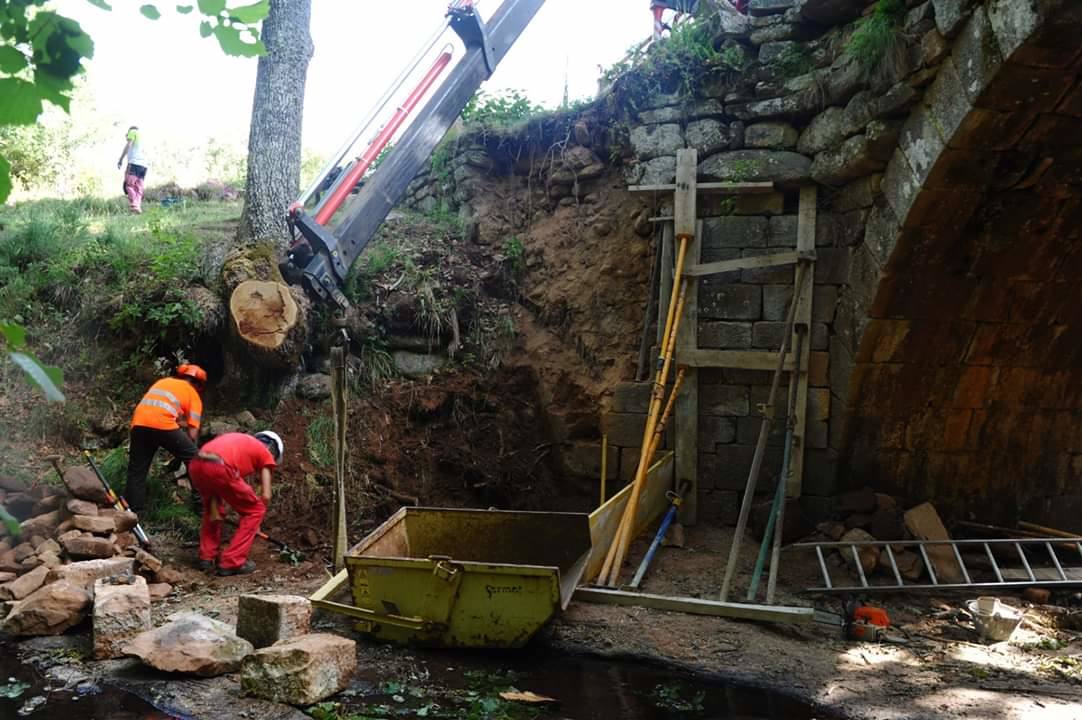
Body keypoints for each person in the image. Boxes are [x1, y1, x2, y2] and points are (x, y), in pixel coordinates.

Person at [188, 431, 283, 576]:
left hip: (196, 464)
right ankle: (232, 562)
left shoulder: (240, 441)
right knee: (256, 510)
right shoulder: (265, 452)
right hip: (220, 466)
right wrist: (256, 524)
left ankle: (206, 558)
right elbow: (266, 494)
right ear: (272, 450)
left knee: (213, 511)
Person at [127, 364, 206, 514]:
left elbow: (158, 410)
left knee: (137, 471)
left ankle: (133, 514)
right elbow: (192, 435)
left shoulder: (163, 382)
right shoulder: (193, 394)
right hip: (162, 424)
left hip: (138, 424)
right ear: (198, 385)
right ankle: (201, 506)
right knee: (196, 460)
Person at [117, 125, 148, 214]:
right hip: (144, 165)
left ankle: (135, 204)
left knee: (129, 185)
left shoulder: (133, 132)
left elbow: (128, 145)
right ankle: (137, 207)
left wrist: (120, 159)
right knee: (139, 188)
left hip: (134, 163)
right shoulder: (142, 138)